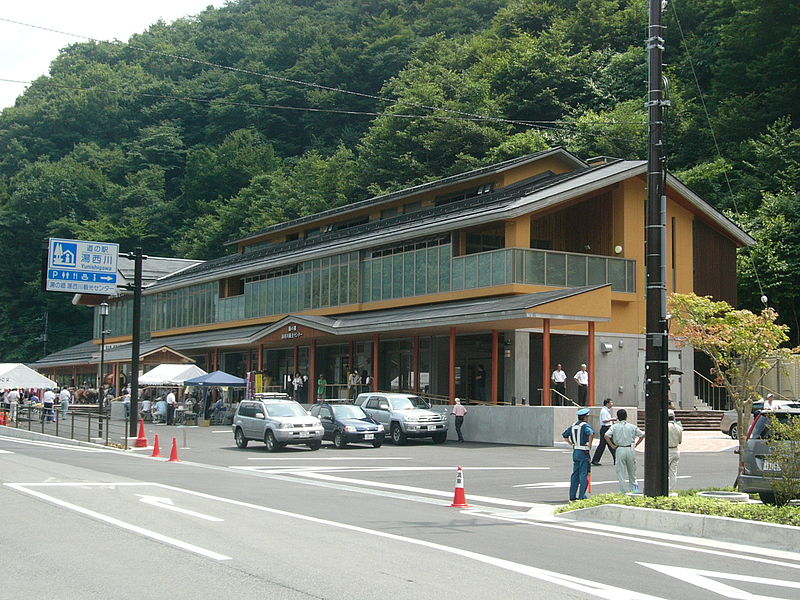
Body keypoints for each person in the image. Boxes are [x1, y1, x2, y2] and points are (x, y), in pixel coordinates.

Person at [604, 408, 645, 493]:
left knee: (621, 473)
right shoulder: (632, 426)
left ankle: (624, 493)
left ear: (617, 418)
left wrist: (612, 445)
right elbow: (642, 435)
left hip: (620, 448)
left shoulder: (614, 427)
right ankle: (636, 491)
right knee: (633, 473)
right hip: (630, 448)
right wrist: (636, 444)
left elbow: (606, 435)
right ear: (626, 417)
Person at [562, 407, 594, 501]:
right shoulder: (585, 426)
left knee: (575, 474)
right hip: (584, 451)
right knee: (584, 474)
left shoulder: (573, 426)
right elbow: (591, 433)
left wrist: (571, 443)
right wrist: (590, 444)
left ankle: (572, 496)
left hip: (576, 451)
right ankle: (581, 496)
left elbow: (565, 435)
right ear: (585, 417)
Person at [591, 399, 617, 466]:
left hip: (607, 428)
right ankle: (595, 460)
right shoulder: (604, 411)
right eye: (611, 402)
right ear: (607, 403)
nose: (612, 403)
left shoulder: (606, 411)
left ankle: (616, 459)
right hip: (605, 429)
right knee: (607, 444)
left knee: (608, 445)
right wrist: (612, 419)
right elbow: (604, 420)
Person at [667, 409, 683, 492]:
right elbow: (680, 441)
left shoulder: (664, 426)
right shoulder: (679, 427)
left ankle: (664, 489)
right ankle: (671, 490)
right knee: (673, 473)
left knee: (663, 472)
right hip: (676, 450)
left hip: (667, 451)